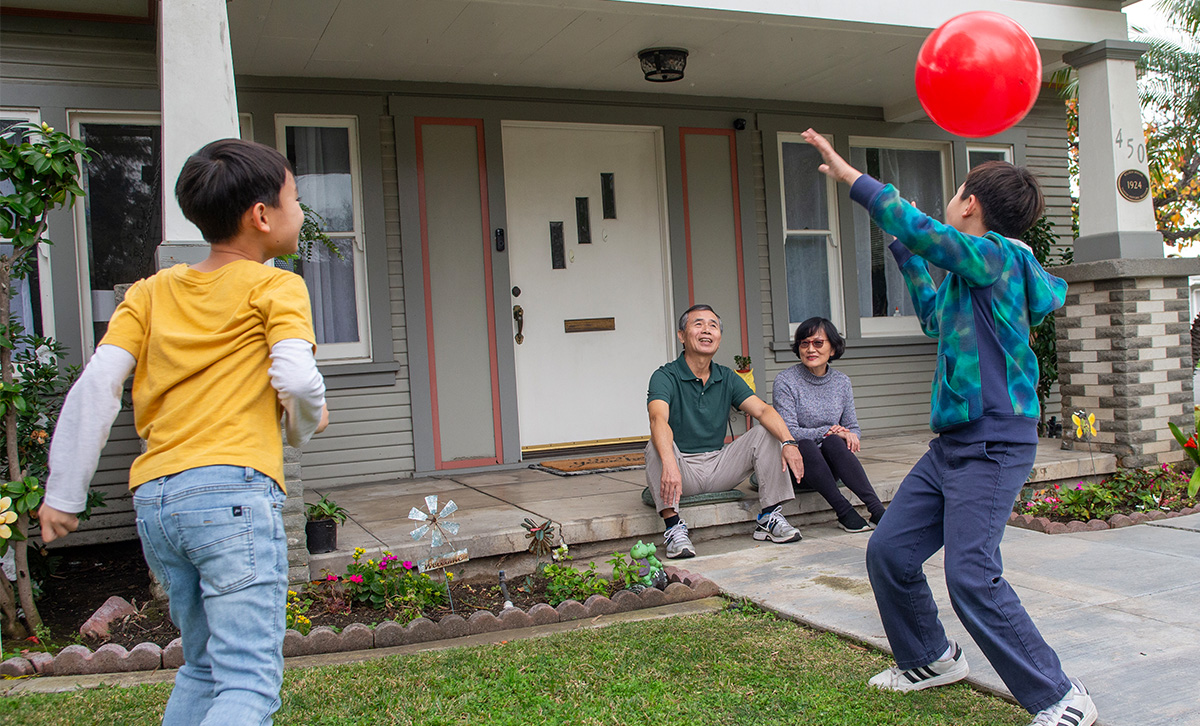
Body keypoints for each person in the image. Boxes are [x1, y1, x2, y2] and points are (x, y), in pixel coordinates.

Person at [801, 129, 1097, 726]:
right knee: (889, 551)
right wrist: (907, 258)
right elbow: (937, 319)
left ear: (971, 205)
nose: (949, 202)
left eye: (955, 193)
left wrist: (852, 177)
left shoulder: (999, 255)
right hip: (956, 443)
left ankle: (1062, 697)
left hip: (994, 441)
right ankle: (930, 658)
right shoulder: (975, 274)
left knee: (971, 576)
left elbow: (928, 233)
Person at [38, 138, 329, 726]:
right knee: (248, 683)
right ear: (262, 215)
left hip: (159, 503)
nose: (302, 212)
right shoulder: (276, 287)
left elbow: (98, 386)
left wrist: (64, 495)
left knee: (202, 667)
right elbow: (297, 381)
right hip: (233, 496)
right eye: (296, 198)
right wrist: (301, 426)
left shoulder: (148, 293)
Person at [646, 303, 806, 559]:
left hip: (720, 465)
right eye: (698, 324)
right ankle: (674, 528)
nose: (707, 330)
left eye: (713, 325)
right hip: (681, 469)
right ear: (681, 335)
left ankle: (769, 517)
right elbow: (658, 419)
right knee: (656, 441)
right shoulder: (665, 376)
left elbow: (764, 411)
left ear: (719, 337)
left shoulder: (727, 377)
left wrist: (789, 442)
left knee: (767, 431)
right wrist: (669, 462)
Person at [772, 317, 885, 533]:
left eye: (818, 343)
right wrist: (827, 431)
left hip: (830, 467)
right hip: (797, 468)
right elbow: (788, 432)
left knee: (834, 442)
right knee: (805, 443)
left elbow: (853, 427)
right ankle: (844, 511)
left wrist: (849, 435)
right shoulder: (786, 381)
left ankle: (877, 509)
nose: (810, 349)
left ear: (832, 349)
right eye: (804, 344)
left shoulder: (842, 382)